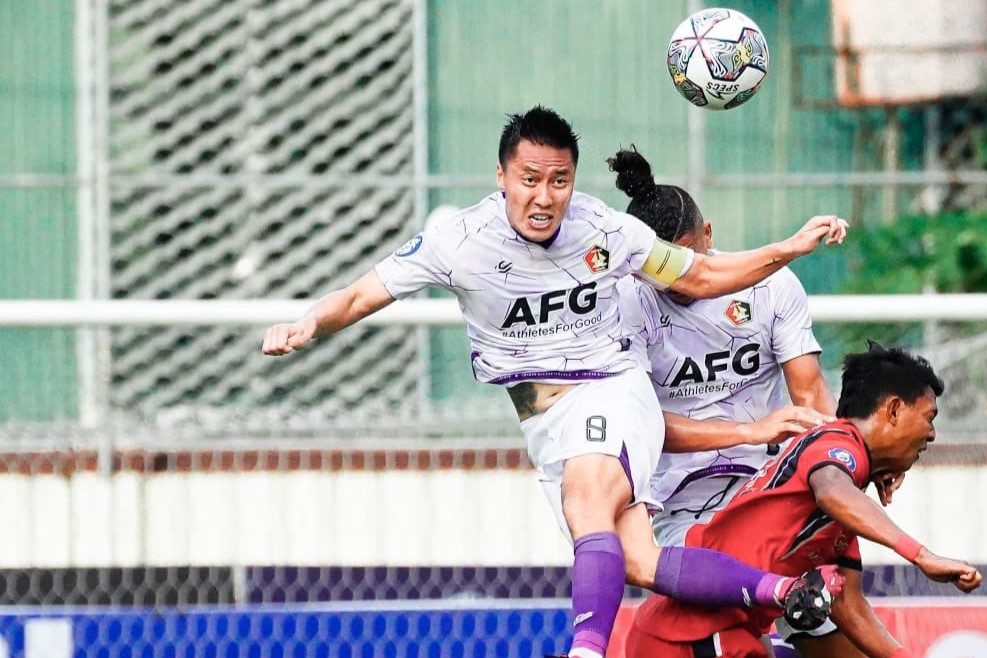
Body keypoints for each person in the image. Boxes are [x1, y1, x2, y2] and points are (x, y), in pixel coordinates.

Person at [261, 106, 849, 658]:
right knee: (639, 560)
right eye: (530, 179)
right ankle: (782, 592)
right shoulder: (459, 242)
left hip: (611, 388)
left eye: (560, 181)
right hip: (544, 420)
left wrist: (786, 249)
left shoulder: (604, 229)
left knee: (587, 498)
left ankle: (584, 651)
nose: (544, 197)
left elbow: (699, 274)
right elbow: (364, 292)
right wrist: (308, 322)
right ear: (501, 176)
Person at [624, 341, 984, 658]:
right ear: (892, 410)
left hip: (711, 630)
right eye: (929, 418)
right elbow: (831, 490)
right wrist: (921, 555)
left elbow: (849, 605)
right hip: (688, 632)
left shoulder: (846, 496)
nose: (933, 434)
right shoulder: (836, 444)